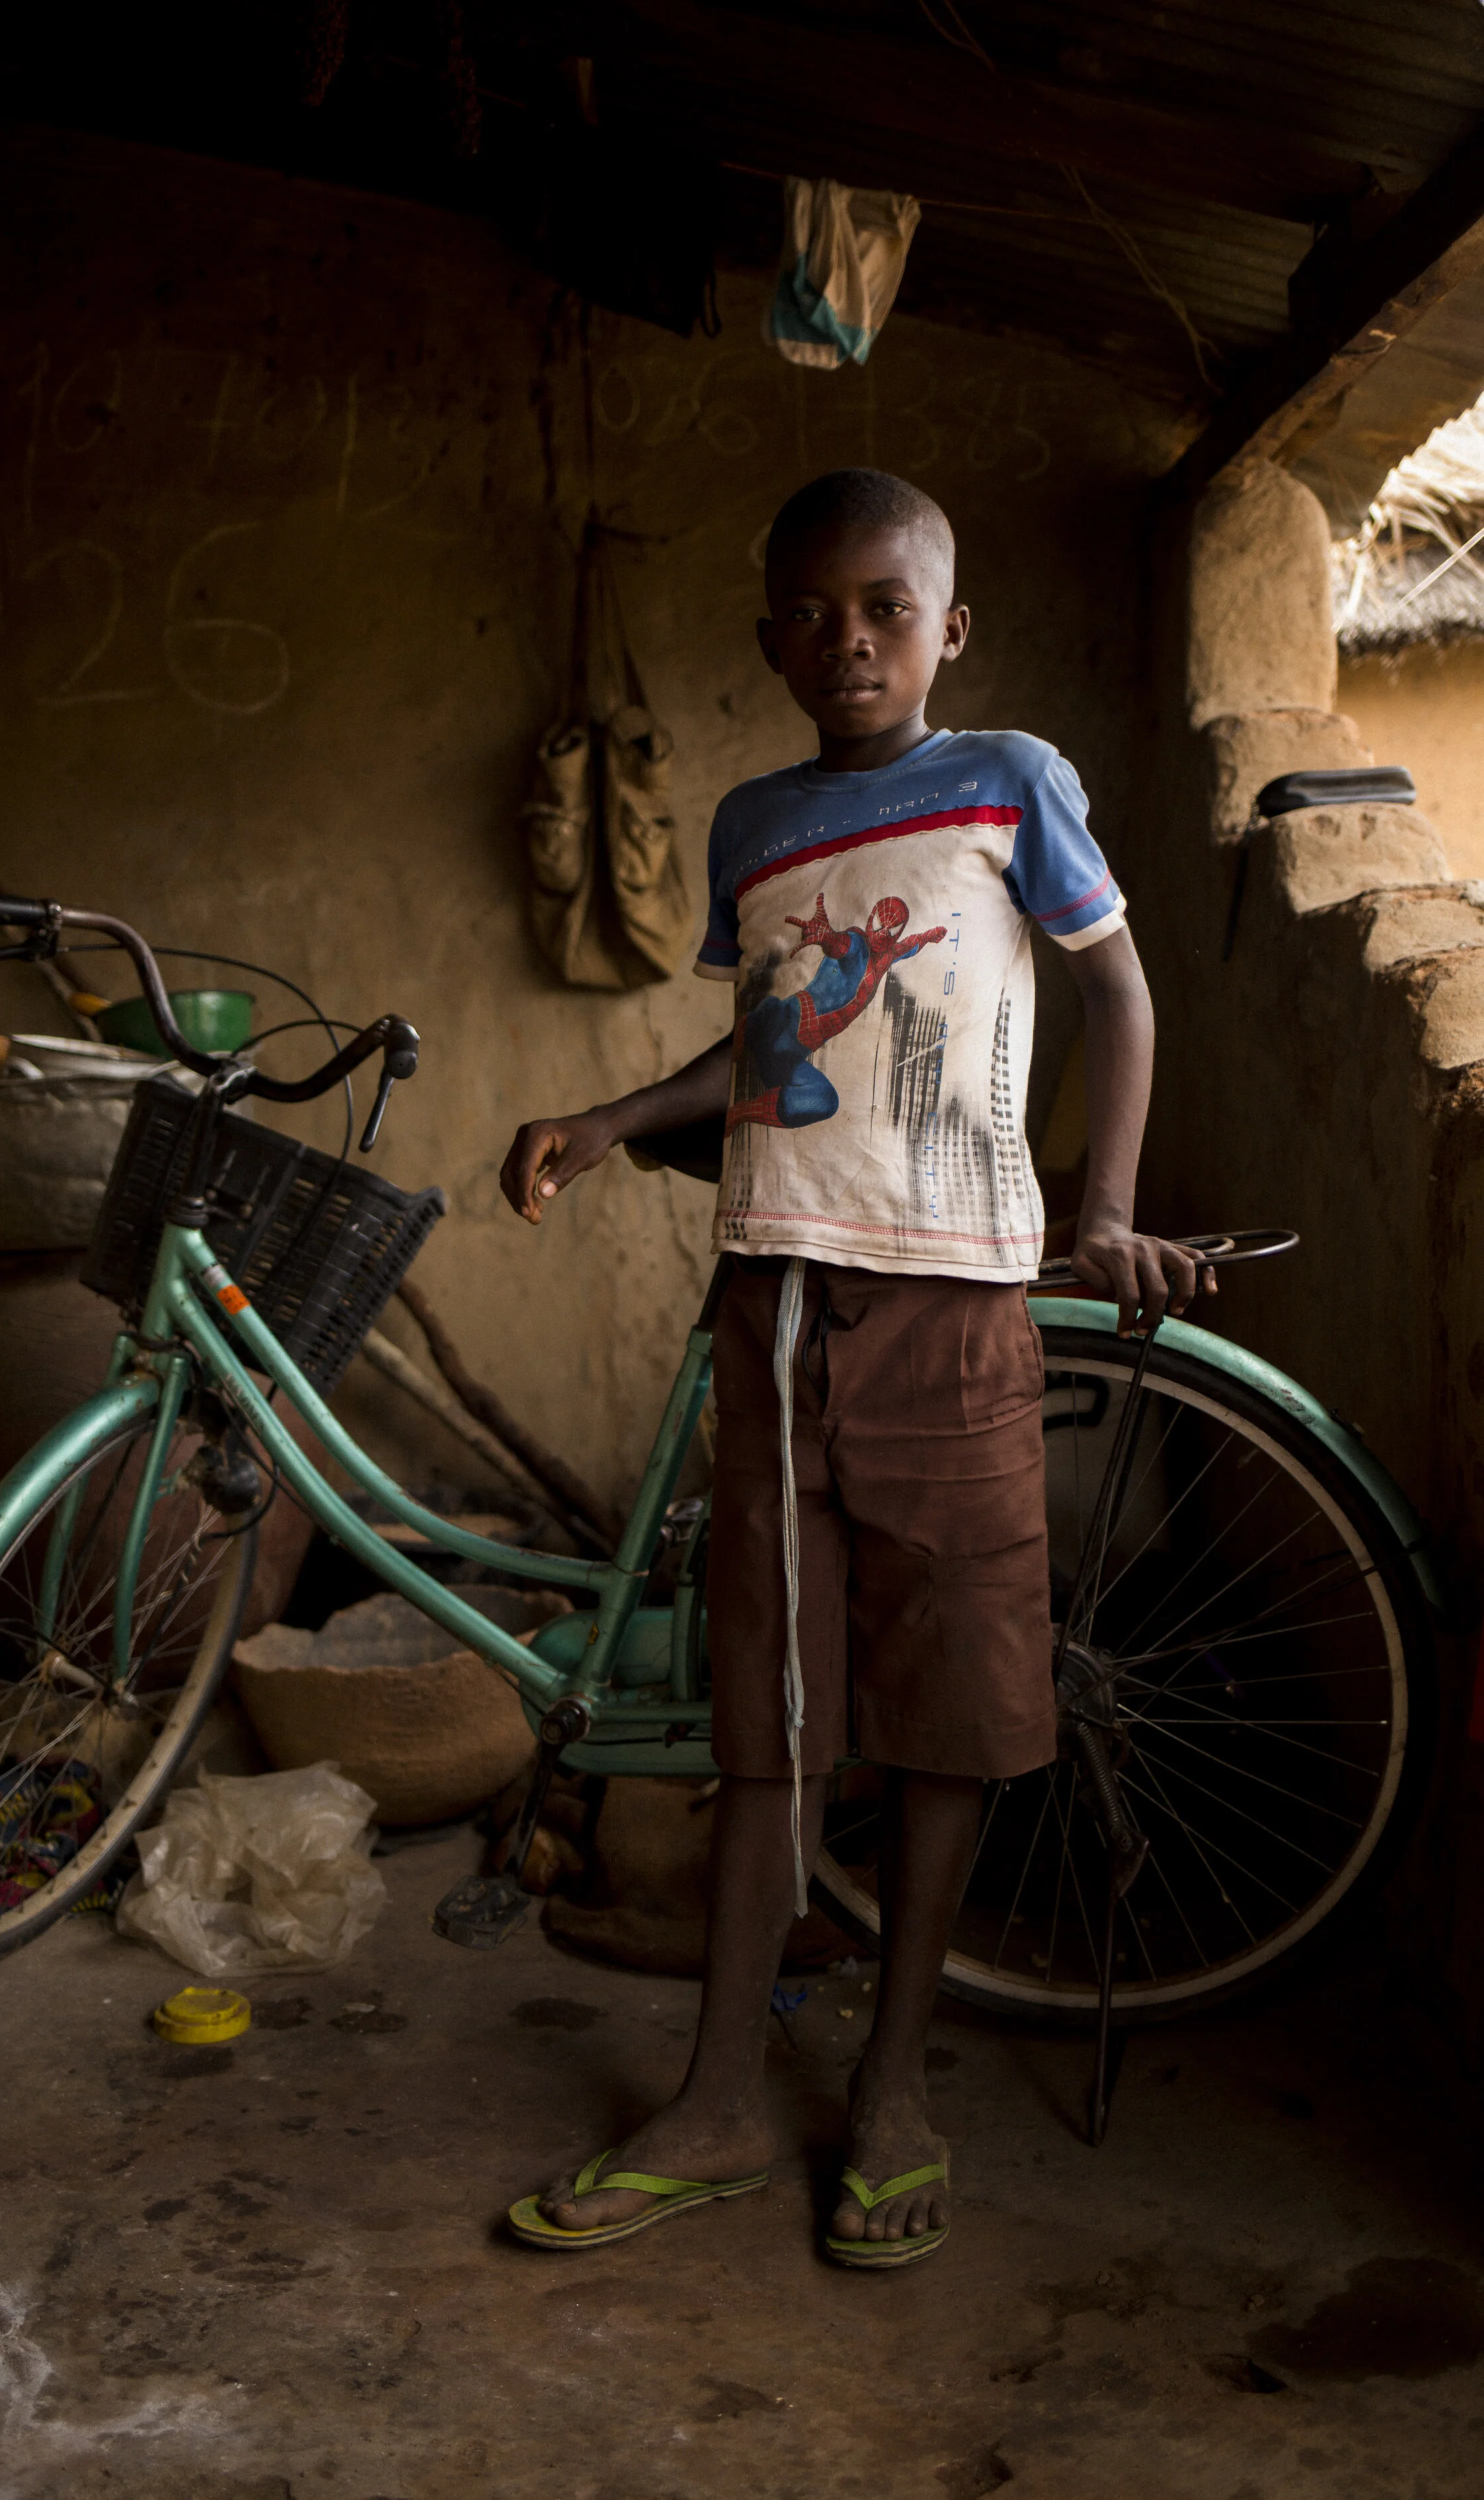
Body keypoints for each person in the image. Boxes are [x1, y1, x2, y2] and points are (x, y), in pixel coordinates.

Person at [497, 467, 1207, 2267]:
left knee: (949, 1707)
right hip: (774, 1304)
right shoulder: (752, 823)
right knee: (770, 1719)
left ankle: (893, 2086)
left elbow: (1118, 993)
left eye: (886, 609)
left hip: (954, 1305)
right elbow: (759, 1043)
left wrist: (1105, 1210)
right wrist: (609, 1115)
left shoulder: (1011, 780)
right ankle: (719, 2097)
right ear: (770, 639)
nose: (850, 643)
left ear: (947, 627)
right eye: (812, 614)